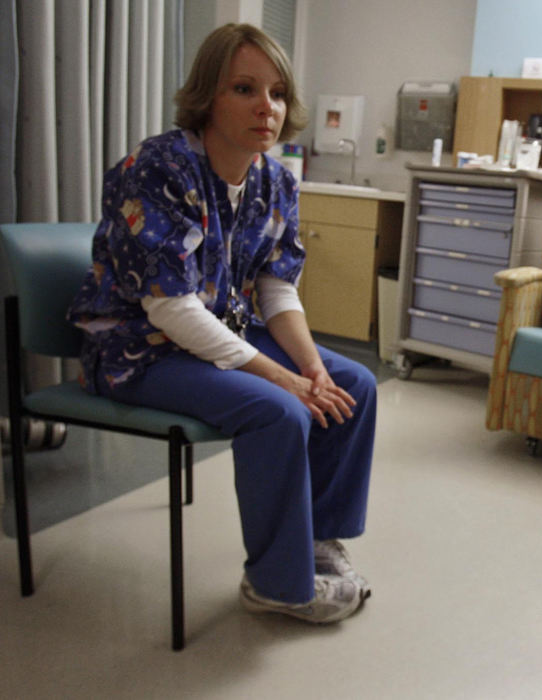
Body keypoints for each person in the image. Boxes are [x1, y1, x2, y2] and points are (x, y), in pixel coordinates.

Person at [67, 23, 376, 624]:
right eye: (245, 88)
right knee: (279, 409)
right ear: (209, 95)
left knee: (352, 386)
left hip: (215, 335)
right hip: (139, 350)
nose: (268, 107)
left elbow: (274, 286)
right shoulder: (159, 168)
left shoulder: (275, 181)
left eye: (279, 92)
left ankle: (316, 542)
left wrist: (310, 366)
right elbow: (170, 307)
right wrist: (282, 380)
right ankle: (276, 583)